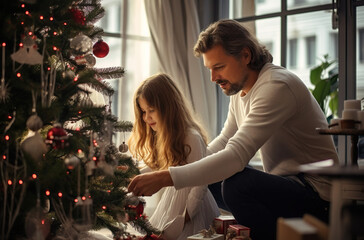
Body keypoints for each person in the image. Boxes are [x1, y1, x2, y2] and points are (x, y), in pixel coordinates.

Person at [128, 19, 339, 240]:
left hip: (318, 196)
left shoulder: (276, 86)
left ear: (245, 56)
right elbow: (224, 142)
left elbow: (235, 155)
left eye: (219, 67)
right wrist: (173, 166)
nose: (213, 78)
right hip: (286, 187)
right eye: (210, 69)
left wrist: (166, 177)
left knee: (236, 183)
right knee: (207, 173)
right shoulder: (240, 93)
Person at [127, 73, 220, 240]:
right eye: (143, 111)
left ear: (168, 107)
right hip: (173, 201)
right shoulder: (165, 135)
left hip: (192, 207)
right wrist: (132, 174)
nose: (146, 117)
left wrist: (186, 218)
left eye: (151, 110)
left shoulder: (191, 137)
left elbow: (200, 184)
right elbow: (159, 167)